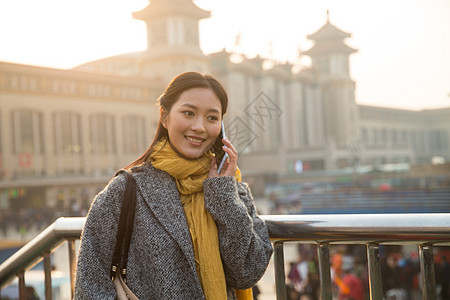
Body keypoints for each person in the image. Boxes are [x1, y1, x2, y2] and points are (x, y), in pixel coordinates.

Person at [74, 72, 274, 299]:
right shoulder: (125, 190)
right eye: (188, 113)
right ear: (164, 116)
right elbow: (89, 284)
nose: (199, 127)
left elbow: (247, 273)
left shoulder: (230, 188)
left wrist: (223, 195)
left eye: (211, 118)